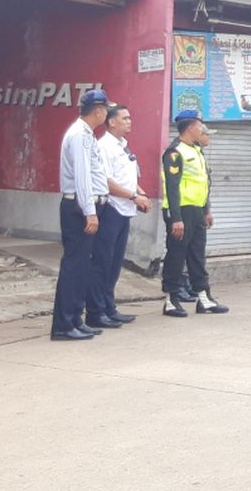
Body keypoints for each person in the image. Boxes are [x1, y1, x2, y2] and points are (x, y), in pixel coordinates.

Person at [51, 88, 111, 341]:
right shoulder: (78, 135)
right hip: (78, 207)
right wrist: (90, 212)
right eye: (106, 109)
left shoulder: (86, 134)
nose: (107, 113)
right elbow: (82, 176)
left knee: (82, 265)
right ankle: (63, 325)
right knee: (74, 266)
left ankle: (75, 318)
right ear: (98, 111)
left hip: (86, 206)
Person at [85, 103, 149, 329]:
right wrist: (133, 196)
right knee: (101, 263)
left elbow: (125, 175)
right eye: (125, 118)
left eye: (130, 118)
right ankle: (95, 312)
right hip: (111, 208)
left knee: (114, 263)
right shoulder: (104, 146)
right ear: (111, 122)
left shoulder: (122, 145)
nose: (130, 122)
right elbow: (106, 182)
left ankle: (109, 308)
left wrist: (139, 191)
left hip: (125, 209)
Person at [161, 111, 228, 317]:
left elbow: (203, 183)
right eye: (200, 125)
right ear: (190, 127)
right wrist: (177, 218)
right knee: (176, 254)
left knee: (197, 255)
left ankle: (203, 297)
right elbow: (172, 188)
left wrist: (206, 209)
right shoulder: (175, 153)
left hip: (197, 210)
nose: (202, 129)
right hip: (181, 211)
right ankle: (170, 299)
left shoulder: (196, 150)